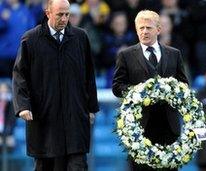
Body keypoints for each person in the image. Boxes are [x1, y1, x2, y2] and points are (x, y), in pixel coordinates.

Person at [12, 0, 99, 170]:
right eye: (60, 14)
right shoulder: (31, 39)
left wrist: (91, 107)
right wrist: (23, 106)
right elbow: (19, 74)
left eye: (67, 14)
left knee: (78, 165)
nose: (65, 18)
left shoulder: (81, 37)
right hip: (44, 119)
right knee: (46, 166)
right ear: (48, 13)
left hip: (75, 117)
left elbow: (89, 74)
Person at [112, 10, 188, 171]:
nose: (144, 31)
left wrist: (173, 90)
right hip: (139, 128)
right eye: (141, 28)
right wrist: (139, 92)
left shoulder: (174, 54)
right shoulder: (125, 55)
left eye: (148, 27)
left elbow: (184, 86)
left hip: (169, 127)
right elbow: (117, 87)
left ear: (158, 29)